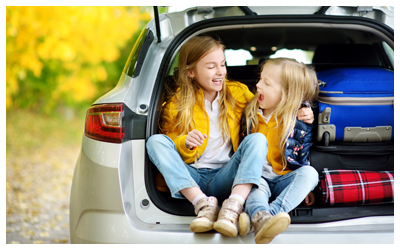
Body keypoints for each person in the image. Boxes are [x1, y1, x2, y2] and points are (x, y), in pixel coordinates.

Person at [146, 36, 314, 237]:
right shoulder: (177, 103)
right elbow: (169, 141)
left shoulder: (238, 94)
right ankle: (203, 205)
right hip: (192, 176)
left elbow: (273, 102)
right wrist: (184, 142)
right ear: (191, 72)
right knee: (155, 142)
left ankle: (234, 207)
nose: (220, 72)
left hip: (227, 175)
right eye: (211, 67)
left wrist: (303, 109)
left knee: (258, 140)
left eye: (223, 64)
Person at [238, 57, 319, 244]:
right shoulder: (250, 113)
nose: (257, 85)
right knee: (253, 187)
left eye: (266, 83)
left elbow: (302, 151)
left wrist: (303, 186)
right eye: (260, 79)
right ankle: (261, 217)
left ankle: (265, 217)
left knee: (310, 174)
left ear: (288, 94)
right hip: (258, 177)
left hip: (285, 177)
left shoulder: (299, 117)